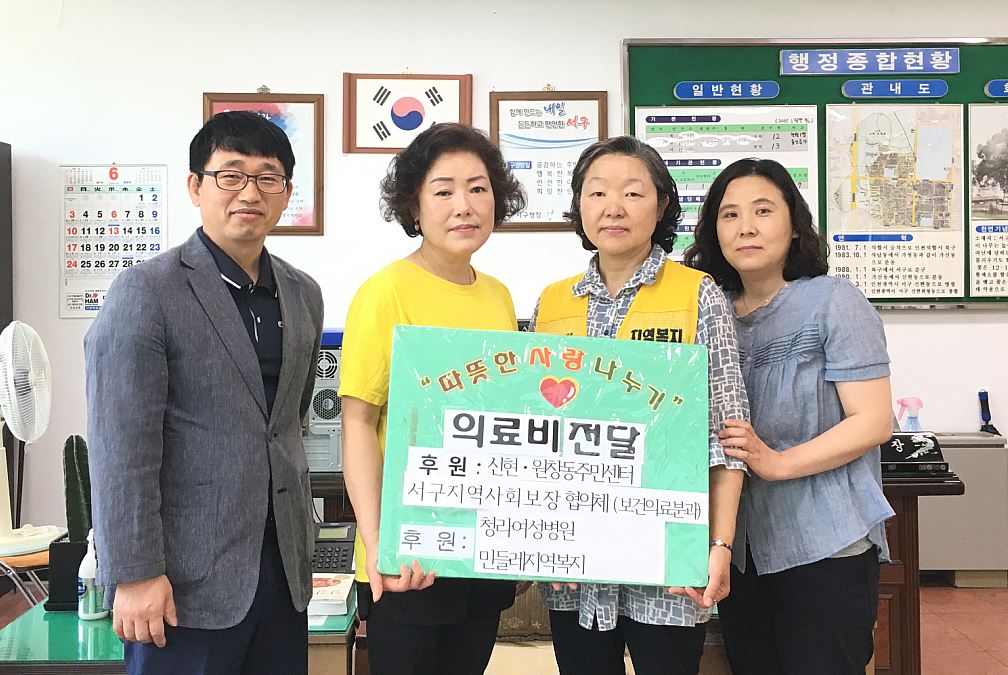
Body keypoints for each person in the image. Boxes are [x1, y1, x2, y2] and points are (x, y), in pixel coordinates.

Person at [84, 111, 324, 674]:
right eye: (230, 175)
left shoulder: (303, 294)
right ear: (196, 186)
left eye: (268, 178)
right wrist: (134, 573)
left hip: (282, 572)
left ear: (286, 193)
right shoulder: (146, 290)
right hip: (180, 582)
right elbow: (120, 448)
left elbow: (288, 421)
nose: (250, 192)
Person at [531, 135, 748, 675]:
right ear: (579, 206)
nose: (613, 207)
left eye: (632, 192)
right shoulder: (552, 302)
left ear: (661, 205)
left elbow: (727, 434)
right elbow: (535, 433)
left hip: (667, 557)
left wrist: (719, 544)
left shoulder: (698, 294)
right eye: (596, 192)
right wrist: (535, 536)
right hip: (573, 560)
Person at [683, 157, 894, 674]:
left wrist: (777, 462)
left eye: (763, 211)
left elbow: (873, 421)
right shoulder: (707, 311)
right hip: (739, 550)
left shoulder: (832, 300)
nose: (746, 227)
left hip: (825, 543)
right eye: (729, 214)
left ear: (794, 225)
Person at [338, 122, 526, 675]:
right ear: (414, 206)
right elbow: (358, 423)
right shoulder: (385, 292)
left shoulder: (498, 296)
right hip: (410, 552)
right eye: (443, 191)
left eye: (478, 188)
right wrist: (379, 542)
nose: (464, 205)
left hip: (482, 544)